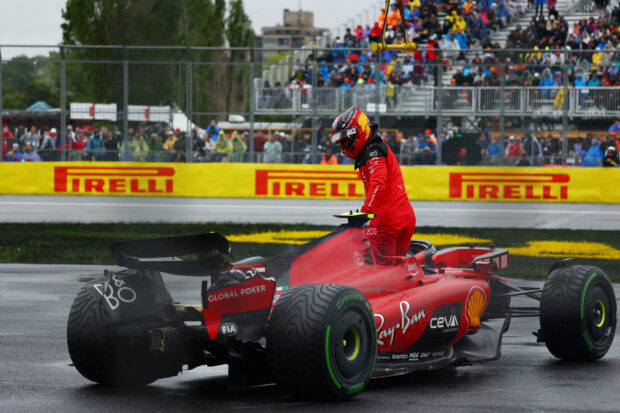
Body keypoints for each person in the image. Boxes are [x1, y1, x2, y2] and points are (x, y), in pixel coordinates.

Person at [331, 107, 415, 265]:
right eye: (342, 141)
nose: (344, 144)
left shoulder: (373, 152)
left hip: (387, 221)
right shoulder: (374, 148)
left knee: (381, 272)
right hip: (405, 216)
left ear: (360, 130)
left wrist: (364, 213)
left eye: (347, 139)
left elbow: (378, 183)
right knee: (397, 270)